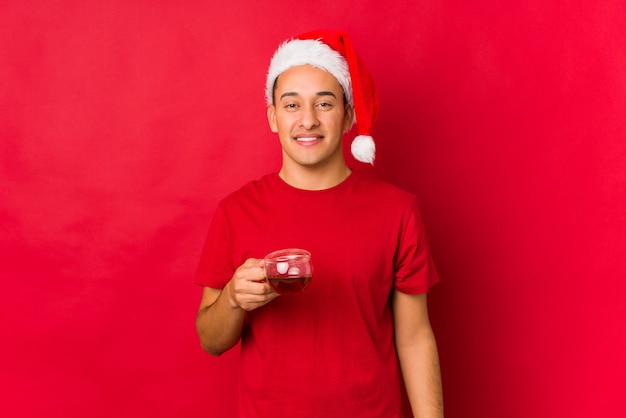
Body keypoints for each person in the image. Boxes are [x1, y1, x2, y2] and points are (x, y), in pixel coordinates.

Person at [195, 29, 443, 417]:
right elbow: (211, 341)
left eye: (324, 104)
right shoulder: (235, 211)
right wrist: (231, 298)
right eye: (291, 105)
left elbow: (414, 337)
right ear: (273, 118)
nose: (307, 120)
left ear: (348, 117)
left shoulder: (398, 211)